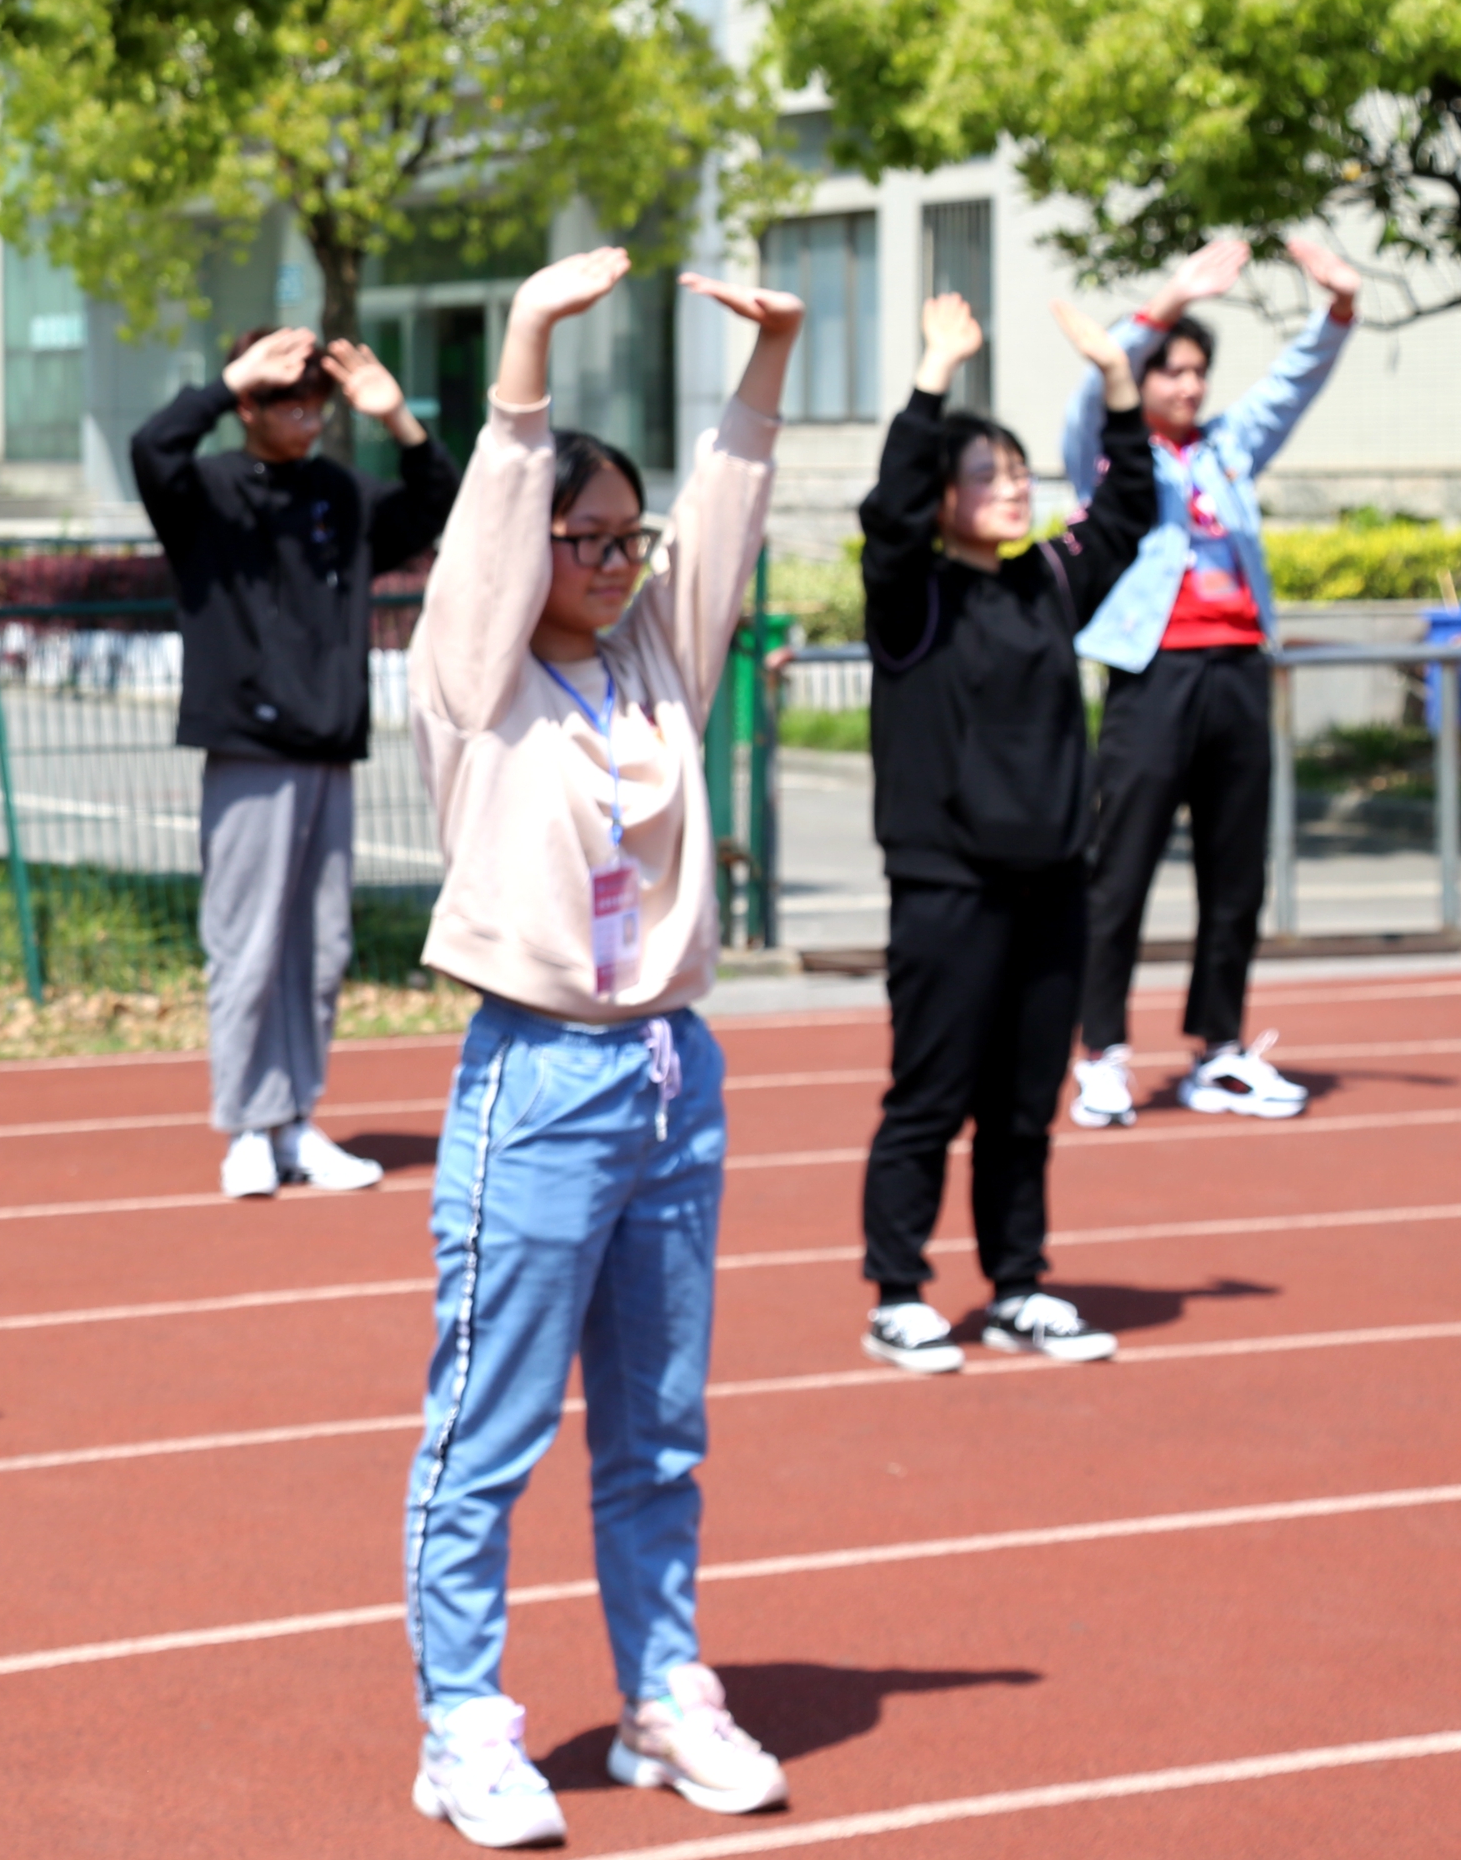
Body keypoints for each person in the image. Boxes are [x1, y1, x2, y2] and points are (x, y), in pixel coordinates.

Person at [401, 248, 802, 1847]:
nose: (620, 559)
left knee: (659, 1425)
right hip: (541, 1079)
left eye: (629, 536)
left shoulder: (652, 657)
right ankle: (462, 1720)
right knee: (486, 1425)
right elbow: (498, 523)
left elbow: (731, 510)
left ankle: (659, 1690)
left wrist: (769, 360)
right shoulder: (472, 676)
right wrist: (524, 344)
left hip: (670, 1078)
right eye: (588, 538)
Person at [854, 295, 1158, 1376]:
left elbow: (1126, 512)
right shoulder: (912, 596)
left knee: (1023, 1106)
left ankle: (1018, 1285)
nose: (1012, 488)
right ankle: (896, 1292)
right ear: (944, 498)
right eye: (986, 475)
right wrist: (932, 371)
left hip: (1049, 883)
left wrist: (1116, 379)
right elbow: (883, 516)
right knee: (930, 1095)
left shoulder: (1046, 581)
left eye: (1020, 472)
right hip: (946, 885)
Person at [131, 325, 460, 1197]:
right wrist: (227, 376)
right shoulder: (203, 491)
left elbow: (440, 507)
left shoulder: (342, 496)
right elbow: (152, 444)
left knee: (319, 949)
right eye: (284, 395)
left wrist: (400, 423)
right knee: (245, 945)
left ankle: (295, 1121)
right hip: (247, 747)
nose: (306, 410)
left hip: (328, 750)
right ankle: (246, 1122)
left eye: (315, 395)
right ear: (247, 403)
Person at [1064, 236, 1360, 1127]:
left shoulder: (1227, 448)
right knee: (1122, 872)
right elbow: (1092, 386)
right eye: (1170, 372)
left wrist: (1340, 306)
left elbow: (1294, 383)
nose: (1187, 387)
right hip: (1154, 675)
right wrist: (1166, 298)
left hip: (1237, 671)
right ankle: (1102, 1053)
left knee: (1238, 875)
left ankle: (1219, 1051)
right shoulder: (1114, 455)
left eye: (1197, 372)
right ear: (1142, 380)